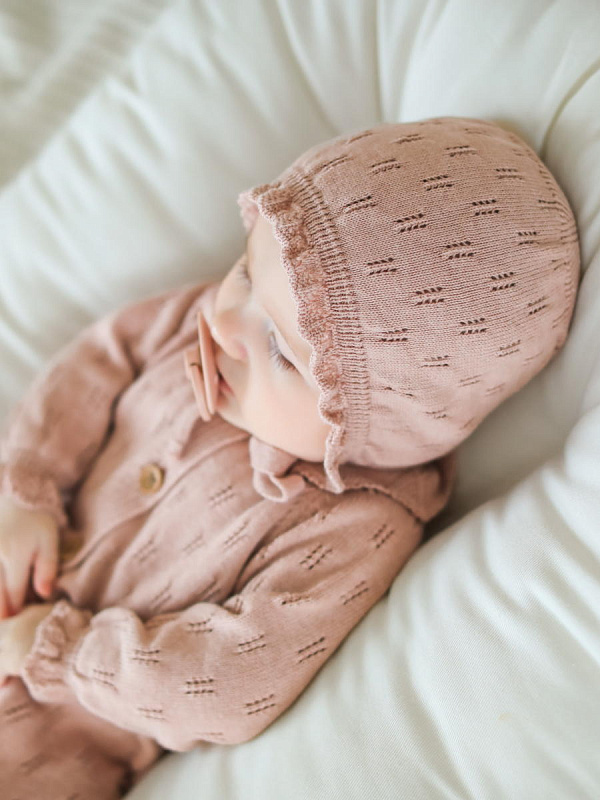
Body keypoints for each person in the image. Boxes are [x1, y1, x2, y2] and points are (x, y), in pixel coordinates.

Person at [0, 116, 580, 798]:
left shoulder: (354, 523)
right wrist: (27, 493)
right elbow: (97, 361)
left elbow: (234, 683)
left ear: (381, 420)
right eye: (247, 271)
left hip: (48, 738)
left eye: (280, 350)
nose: (225, 324)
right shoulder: (208, 327)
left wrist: (66, 654)